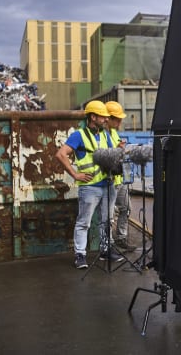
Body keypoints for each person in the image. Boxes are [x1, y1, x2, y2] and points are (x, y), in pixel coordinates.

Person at [55, 100, 124, 269]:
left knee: (106, 221)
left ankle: (105, 250)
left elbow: (109, 156)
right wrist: (75, 174)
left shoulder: (105, 135)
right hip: (90, 187)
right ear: (93, 117)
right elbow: (61, 154)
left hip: (107, 184)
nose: (106, 120)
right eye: (103, 117)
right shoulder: (78, 135)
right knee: (84, 222)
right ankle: (80, 255)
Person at [105, 101, 136, 253]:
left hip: (120, 178)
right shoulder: (101, 135)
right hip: (109, 180)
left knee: (126, 208)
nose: (120, 122)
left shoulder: (114, 133)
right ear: (107, 118)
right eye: (117, 119)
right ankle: (108, 245)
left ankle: (121, 238)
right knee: (109, 215)